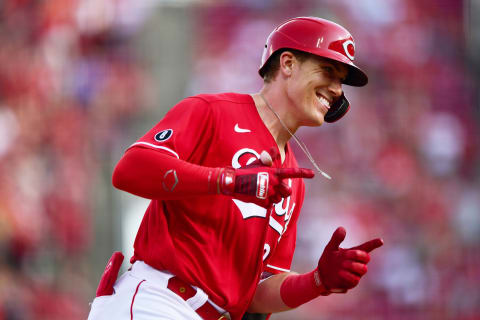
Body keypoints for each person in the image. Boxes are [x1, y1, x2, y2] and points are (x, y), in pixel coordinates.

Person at [87, 17, 383, 320]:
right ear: (288, 63)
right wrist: (228, 180)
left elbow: (256, 291)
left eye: (340, 80)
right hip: (159, 299)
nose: (336, 89)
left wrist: (316, 282)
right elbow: (129, 170)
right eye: (328, 71)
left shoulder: (293, 179)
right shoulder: (214, 112)